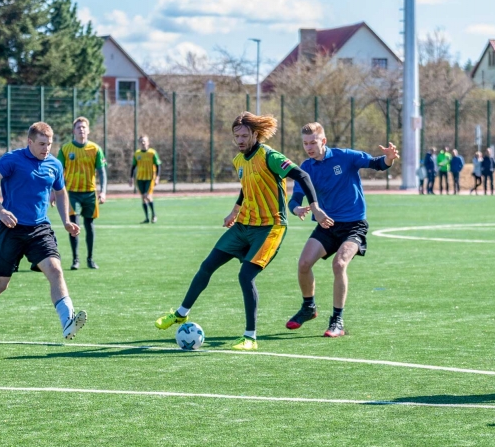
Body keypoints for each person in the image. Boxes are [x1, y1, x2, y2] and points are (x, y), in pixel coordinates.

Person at [155, 112, 330, 350]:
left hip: (270, 227)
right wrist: (234, 211)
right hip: (243, 225)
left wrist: (316, 208)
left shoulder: (269, 156)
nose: (240, 139)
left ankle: (250, 337)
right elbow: (246, 188)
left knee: (245, 276)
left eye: (244, 135)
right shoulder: (239, 160)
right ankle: (181, 313)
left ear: (255, 134)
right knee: (207, 265)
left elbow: (302, 175)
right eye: (236, 135)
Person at [0, 122, 87, 340]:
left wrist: (66, 221)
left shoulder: (54, 164)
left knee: (55, 270)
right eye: (42, 144)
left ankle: (67, 321)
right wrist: (1, 210)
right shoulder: (12, 160)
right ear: (29, 142)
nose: (46, 149)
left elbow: (60, 193)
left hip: (40, 229)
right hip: (10, 229)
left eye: (49, 144)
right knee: (0, 285)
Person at [285, 123, 398, 338]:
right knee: (303, 264)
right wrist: (297, 208)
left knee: (339, 264)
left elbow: (377, 163)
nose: (308, 147)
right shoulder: (306, 168)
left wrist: (389, 158)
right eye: (305, 143)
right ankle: (309, 307)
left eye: (313, 142)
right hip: (327, 225)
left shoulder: (344, 156)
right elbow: (294, 200)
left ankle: (337, 320)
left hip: (353, 225)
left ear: (323, 141)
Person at [58, 117, 107, 270]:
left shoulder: (95, 149)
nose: (81, 130)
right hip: (71, 192)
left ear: (88, 130)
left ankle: (90, 259)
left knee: (89, 224)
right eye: (78, 127)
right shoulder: (65, 149)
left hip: (90, 192)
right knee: (73, 225)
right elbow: (58, 172)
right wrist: (55, 192)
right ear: (74, 130)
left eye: (84, 127)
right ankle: (75, 260)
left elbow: (102, 172)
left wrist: (103, 191)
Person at [130, 135, 161, 223]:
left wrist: (157, 177)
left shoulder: (152, 153)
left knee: (147, 196)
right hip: (139, 178)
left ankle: (154, 215)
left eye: (144, 141)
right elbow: (133, 166)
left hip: (150, 178)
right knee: (143, 198)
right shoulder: (137, 154)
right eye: (141, 141)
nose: (143, 143)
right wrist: (131, 177)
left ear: (148, 142)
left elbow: (158, 165)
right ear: (139, 143)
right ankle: (147, 218)